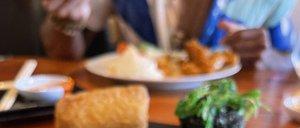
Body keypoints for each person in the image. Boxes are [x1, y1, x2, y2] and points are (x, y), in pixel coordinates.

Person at [40, 0, 296, 64]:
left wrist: (264, 56)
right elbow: (63, 56)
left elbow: (288, 68)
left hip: (228, 116)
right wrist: (65, 20)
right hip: (141, 108)